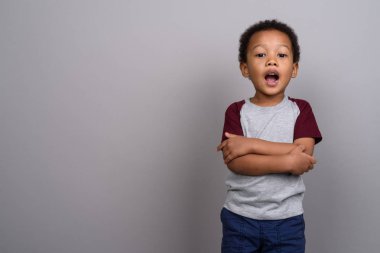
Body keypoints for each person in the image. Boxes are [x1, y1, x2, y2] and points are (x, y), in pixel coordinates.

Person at [217, 20, 322, 253]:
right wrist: (287, 159)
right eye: (261, 54)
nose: (271, 60)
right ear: (245, 68)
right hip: (240, 218)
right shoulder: (236, 111)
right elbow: (237, 162)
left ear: (294, 69)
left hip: (287, 221)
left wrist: (250, 144)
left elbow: (303, 155)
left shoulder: (301, 110)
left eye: (282, 55)